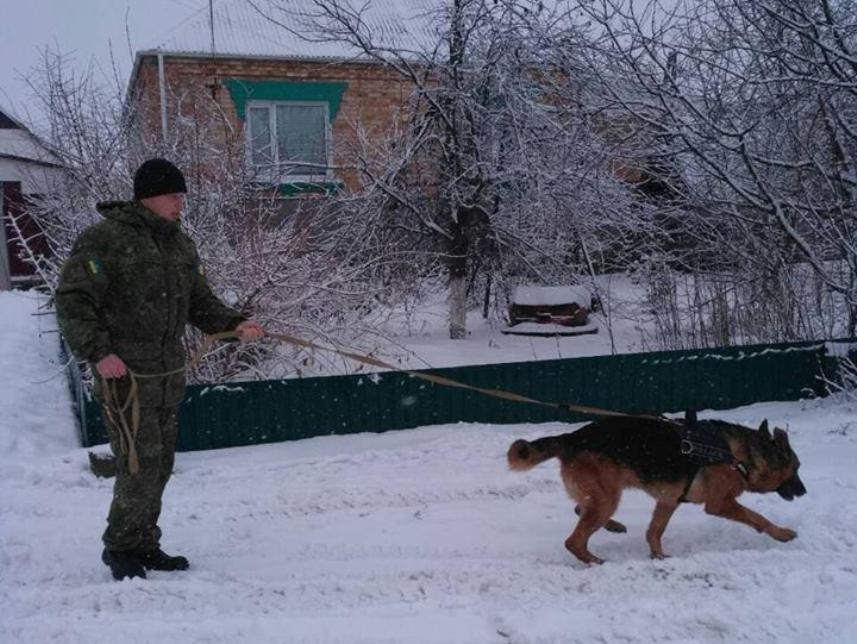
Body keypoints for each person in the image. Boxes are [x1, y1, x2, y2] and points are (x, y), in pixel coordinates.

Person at [56, 158, 265, 581]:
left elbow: (199, 301)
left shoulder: (180, 245)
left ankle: (144, 543)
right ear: (148, 196)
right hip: (125, 378)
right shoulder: (104, 240)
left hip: (167, 376)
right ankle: (120, 547)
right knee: (138, 465)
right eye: (173, 196)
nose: (180, 204)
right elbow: (73, 301)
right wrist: (98, 353)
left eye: (181, 196)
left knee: (160, 464)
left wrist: (234, 324)